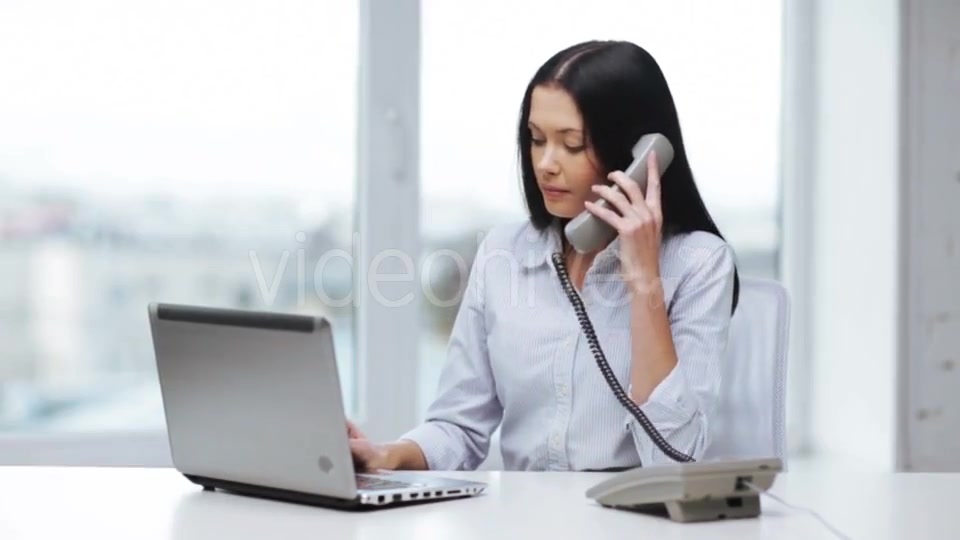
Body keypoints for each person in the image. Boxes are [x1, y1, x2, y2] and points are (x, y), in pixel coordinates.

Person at [348, 39, 740, 472]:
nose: (546, 164)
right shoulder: (502, 254)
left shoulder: (700, 263)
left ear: (639, 153)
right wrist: (386, 455)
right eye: (536, 140)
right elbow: (458, 427)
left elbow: (673, 458)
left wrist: (643, 277)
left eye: (572, 145)